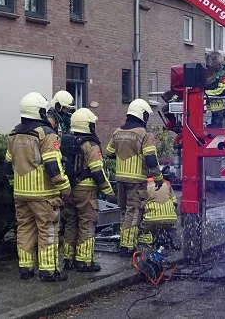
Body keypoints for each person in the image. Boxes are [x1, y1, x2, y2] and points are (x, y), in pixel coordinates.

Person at [4, 92, 73, 282]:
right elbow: (52, 166)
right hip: (44, 194)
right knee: (48, 229)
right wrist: (65, 186)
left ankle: (25, 269)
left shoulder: (13, 133)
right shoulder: (46, 134)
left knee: (24, 229)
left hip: (20, 193)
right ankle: (48, 271)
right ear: (40, 111)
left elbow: (7, 166)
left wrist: (13, 184)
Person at [105, 99, 164, 257]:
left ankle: (124, 242)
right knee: (135, 211)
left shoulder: (117, 132)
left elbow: (109, 152)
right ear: (142, 115)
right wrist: (158, 178)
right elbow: (151, 158)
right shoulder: (144, 134)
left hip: (120, 179)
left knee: (125, 212)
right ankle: (127, 246)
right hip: (136, 180)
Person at [60, 108, 116, 272]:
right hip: (85, 191)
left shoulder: (67, 141)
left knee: (71, 224)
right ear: (89, 125)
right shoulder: (90, 145)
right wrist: (109, 192)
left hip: (68, 189)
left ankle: (68, 259)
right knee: (87, 223)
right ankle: (84, 261)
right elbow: (98, 172)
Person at [137, 167, 180, 250]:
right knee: (167, 225)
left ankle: (148, 239)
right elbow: (175, 202)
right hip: (170, 216)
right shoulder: (166, 183)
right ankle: (170, 231)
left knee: (145, 229)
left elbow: (139, 204)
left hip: (152, 218)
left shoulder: (143, 185)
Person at [205, 52, 225, 128]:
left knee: (217, 124)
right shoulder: (205, 69)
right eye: (218, 64)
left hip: (222, 102)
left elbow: (223, 90)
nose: (220, 66)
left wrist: (205, 93)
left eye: (221, 63)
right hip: (208, 102)